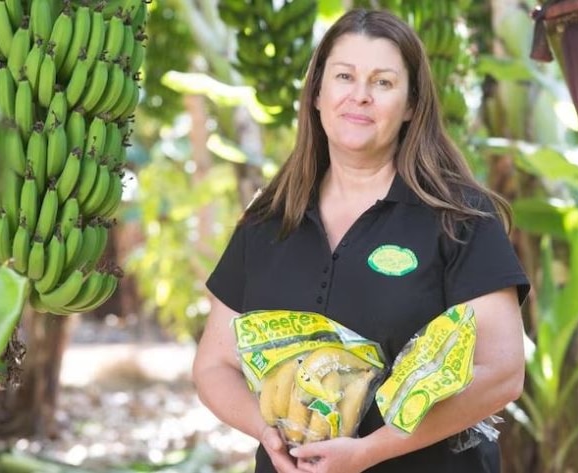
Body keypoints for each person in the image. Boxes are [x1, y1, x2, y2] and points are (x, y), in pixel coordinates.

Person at [192, 8, 530, 473]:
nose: (360, 97)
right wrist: (267, 431)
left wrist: (371, 451)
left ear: (412, 104)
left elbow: (502, 373)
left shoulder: (459, 216)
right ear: (316, 94)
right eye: (344, 76)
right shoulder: (268, 220)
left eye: (383, 83)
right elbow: (214, 366)